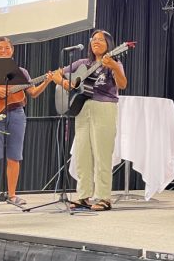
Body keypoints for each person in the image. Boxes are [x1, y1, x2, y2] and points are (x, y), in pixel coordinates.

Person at [0, 37, 52, 206]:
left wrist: (47, 81)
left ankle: (12, 195)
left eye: (7, 48)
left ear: (12, 50)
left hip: (17, 114)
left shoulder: (22, 72)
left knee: (15, 156)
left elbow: (32, 93)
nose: (4, 51)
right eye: (0, 48)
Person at [52, 30, 127, 211]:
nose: (96, 42)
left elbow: (123, 85)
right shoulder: (81, 63)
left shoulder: (113, 62)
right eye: (93, 39)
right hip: (81, 107)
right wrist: (63, 83)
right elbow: (57, 73)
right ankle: (83, 195)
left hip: (104, 107)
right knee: (82, 153)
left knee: (102, 154)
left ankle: (103, 198)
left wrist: (115, 67)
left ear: (109, 44)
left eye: (101, 40)